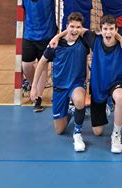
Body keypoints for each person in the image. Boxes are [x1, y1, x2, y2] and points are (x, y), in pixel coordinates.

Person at [30, 12, 90, 152]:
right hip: (59, 88)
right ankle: (71, 110)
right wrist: (34, 87)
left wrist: (86, 84)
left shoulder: (83, 42)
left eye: (78, 27)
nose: (75, 30)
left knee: (80, 100)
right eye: (72, 26)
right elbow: (41, 63)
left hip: (76, 84)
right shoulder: (55, 44)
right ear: (66, 27)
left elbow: (86, 61)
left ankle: (77, 133)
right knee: (59, 130)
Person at [76, 15, 122, 154]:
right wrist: (57, 37)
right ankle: (104, 107)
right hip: (98, 85)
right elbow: (78, 29)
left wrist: (121, 38)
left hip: (115, 83)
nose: (108, 32)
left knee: (120, 98)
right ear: (100, 30)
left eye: (111, 29)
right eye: (105, 29)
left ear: (116, 30)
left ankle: (116, 135)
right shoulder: (94, 39)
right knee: (97, 132)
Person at [21, 0, 59, 111]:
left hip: (47, 37)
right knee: (26, 66)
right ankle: (33, 87)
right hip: (29, 36)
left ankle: (38, 97)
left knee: (43, 67)